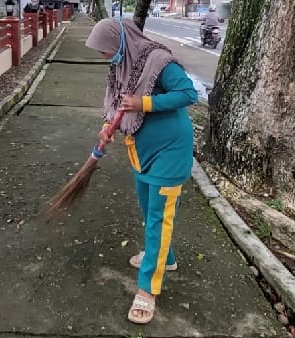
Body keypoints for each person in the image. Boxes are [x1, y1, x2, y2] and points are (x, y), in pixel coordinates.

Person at [85, 18, 197, 324]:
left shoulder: (159, 61)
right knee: (150, 213)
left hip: (170, 152)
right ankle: (166, 259)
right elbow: (120, 107)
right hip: (142, 152)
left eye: (105, 52)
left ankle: (148, 290)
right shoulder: (122, 67)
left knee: (158, 218)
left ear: (119, 43)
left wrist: (143, 102)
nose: (104, 58)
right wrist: (108, 126)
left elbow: (189, 94)